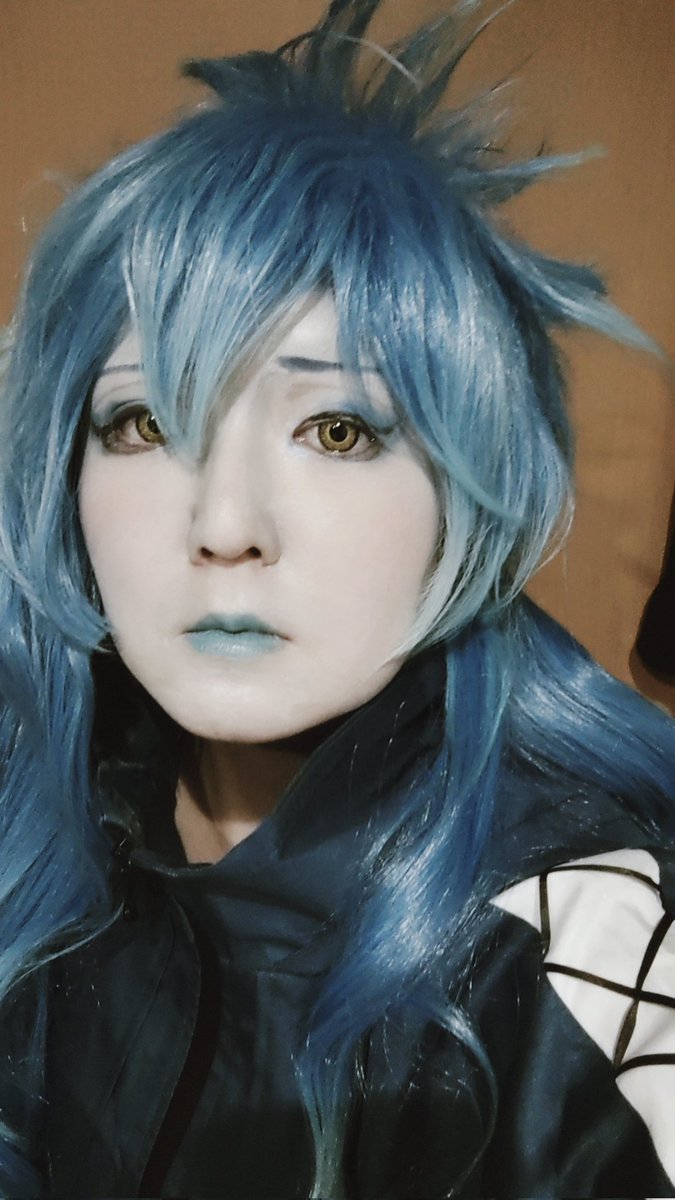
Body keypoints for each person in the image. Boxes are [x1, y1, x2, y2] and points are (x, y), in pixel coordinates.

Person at [1, 1, 674, 1196]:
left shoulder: (588, 941)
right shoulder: (37, 822)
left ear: (466, 495)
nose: (224, 527)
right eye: (143, 422)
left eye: (338, 429)